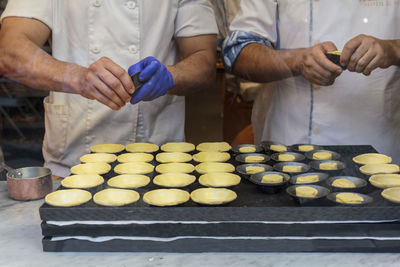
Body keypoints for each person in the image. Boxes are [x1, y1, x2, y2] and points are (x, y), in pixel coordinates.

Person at [0, 0, 217, 177]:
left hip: (161, 164)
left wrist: (171, 77)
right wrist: (77, 77)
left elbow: (204, 61)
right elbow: (9, 51)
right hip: (73, 165)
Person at [223, 0, 400, 160]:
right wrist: (295, 61)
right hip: (288, 144)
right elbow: (237, 54)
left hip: (378, 146)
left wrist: (392, 49)